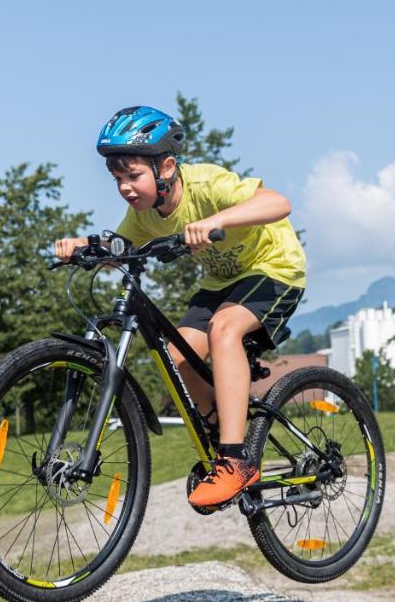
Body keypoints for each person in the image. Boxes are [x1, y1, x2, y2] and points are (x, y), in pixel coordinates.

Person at [55, 106, 306, 508]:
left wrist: (215, 220)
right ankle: (221, 428)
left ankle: (234, 459)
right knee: (177, 356)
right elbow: (119, 247)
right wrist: (83, 248)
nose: (125, 187)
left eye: (133, 176)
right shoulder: (144, 215)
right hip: (220, 283)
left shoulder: (206, 184)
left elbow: (279, 202)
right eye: (118, 178)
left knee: (225, 329)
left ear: (166, 167)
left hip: (273, 268)